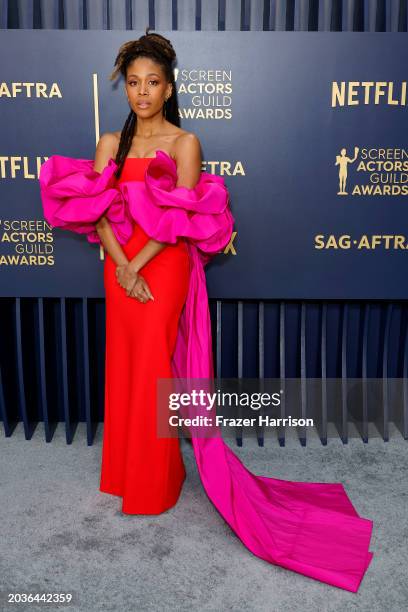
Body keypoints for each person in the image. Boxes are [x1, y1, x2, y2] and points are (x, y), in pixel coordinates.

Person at [39, 29, 374, 593]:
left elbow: (179, 224)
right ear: (125, 89)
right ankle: (125, 475)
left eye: (153, 83)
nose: (142, 93)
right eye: (134, 84)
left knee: (152, 368)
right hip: (121, 267)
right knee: (124, 364)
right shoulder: (108, 144)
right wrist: (121, 265)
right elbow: (94, 210)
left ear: (169, 88)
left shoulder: (185, 142)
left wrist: (135, 266)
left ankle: (157, 484)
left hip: (161, 269)